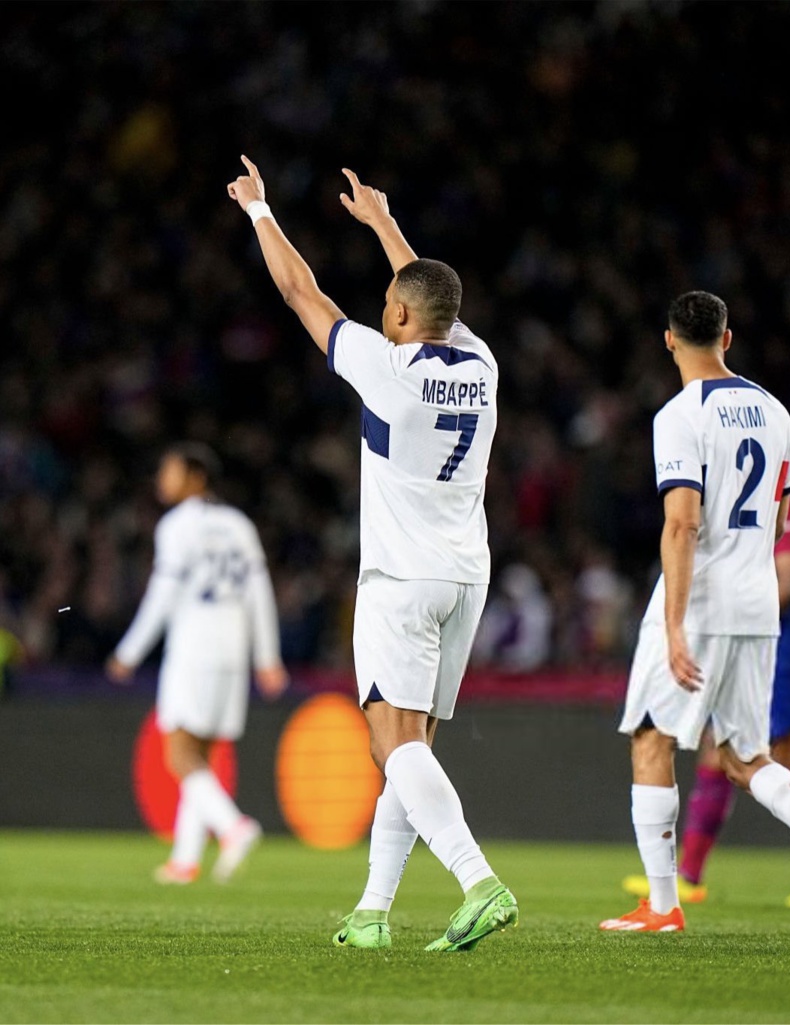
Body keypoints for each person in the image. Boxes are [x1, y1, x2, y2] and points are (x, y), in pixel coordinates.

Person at [227, 156, 517, 951]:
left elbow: (302, 294)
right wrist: (385, 225)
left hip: (401, 577)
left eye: (388, 306)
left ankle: (478, 879)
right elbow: (432, 298)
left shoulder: (387, 370)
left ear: (395, 317)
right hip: (466, 573)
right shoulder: (482, 365)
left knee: (394, 744)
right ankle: (372, 912)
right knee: (409, 746)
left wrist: (259, 211)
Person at [600, 291, 790, 933]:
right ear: (729, 338)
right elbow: (780, 517)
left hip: (700, 603)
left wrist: (672, 624)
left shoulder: (679, 415)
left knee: (651, 739)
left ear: (669, 341)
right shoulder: (777, 414)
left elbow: (682, 521)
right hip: (757, 606)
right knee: (750, 759)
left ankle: (663, 907)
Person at [621, 481, 790, 906]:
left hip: (777, 639)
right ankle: (689, 874)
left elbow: (785, 580)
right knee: (721, 752)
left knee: (783, 756)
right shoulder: (774, 489)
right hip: (753, 629)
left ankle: (678, 886)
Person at [106, 442, 288, 884]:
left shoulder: (176, 526)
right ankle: (185, 860)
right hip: (233, 649)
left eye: (170, 471)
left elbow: (163, 594)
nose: (161, 480)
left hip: (192, 646)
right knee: (202, 755)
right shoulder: (238, 524)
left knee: (179, 753)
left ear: (196, 477)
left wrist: (129, 651)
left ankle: (233, 827)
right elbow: (259, 591)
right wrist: (267, 656)